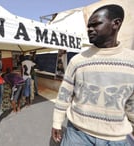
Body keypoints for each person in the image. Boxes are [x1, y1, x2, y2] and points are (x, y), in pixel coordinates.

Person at [52, 4, 133, 146]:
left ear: (116, 23)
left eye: (95, 24)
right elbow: (64, 95)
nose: (89, 29)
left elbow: (132, 101)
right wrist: (57, 122)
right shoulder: (78, 60)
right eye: (88, 26)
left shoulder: (131, 61)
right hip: (77, 134)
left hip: (116, 138)